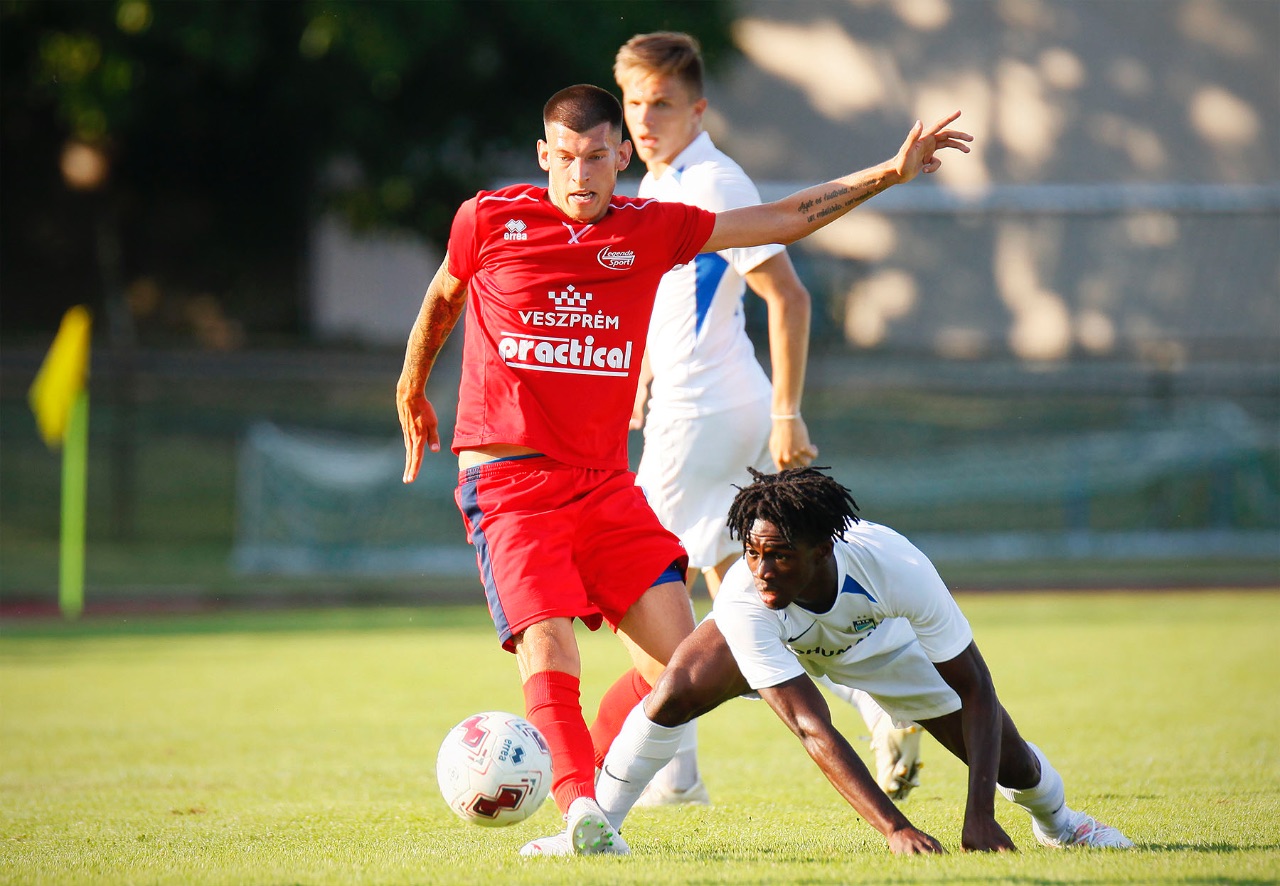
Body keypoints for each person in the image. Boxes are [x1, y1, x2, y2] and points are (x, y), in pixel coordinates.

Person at [397, 84, 972, 857]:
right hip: (511, 483)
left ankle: (598, 777)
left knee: (692, 664)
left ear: (621, 157)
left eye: (595, 157)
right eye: (564, 157)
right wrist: (412, 383)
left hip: (604, 486)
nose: (579, 174)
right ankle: (580, 812)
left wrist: (890, 174)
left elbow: (779, 220)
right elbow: (445, 294)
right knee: (550, 646)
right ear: (543, 156)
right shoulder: (489, 219)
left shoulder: (650, 229)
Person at [606, 30, 923, 809]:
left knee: (638, 591)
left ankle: (676, 779)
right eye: (634, 103)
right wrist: (642, 378)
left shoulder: (712, 181)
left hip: (704, 416)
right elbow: (676, 305)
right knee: (741, 599)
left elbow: (789, 294)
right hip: (706, 407)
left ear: (698, 110)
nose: (644, 119)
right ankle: (873, 697)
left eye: (662, 104)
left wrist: (789, 412)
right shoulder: (660, 182)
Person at [591, 467, 1136, 854]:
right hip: (789, 640)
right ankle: (600, 826)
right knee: (676, 688)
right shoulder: (748, 595)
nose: (762, 570)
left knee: (1012, 765)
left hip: (884, 650)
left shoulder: (896, 566)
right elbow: (810, 725)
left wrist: (981, 817)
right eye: (753, 553)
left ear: (822, 551)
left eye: (780, 555)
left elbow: (976, 688)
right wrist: (896, 829)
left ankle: (1063, 825)